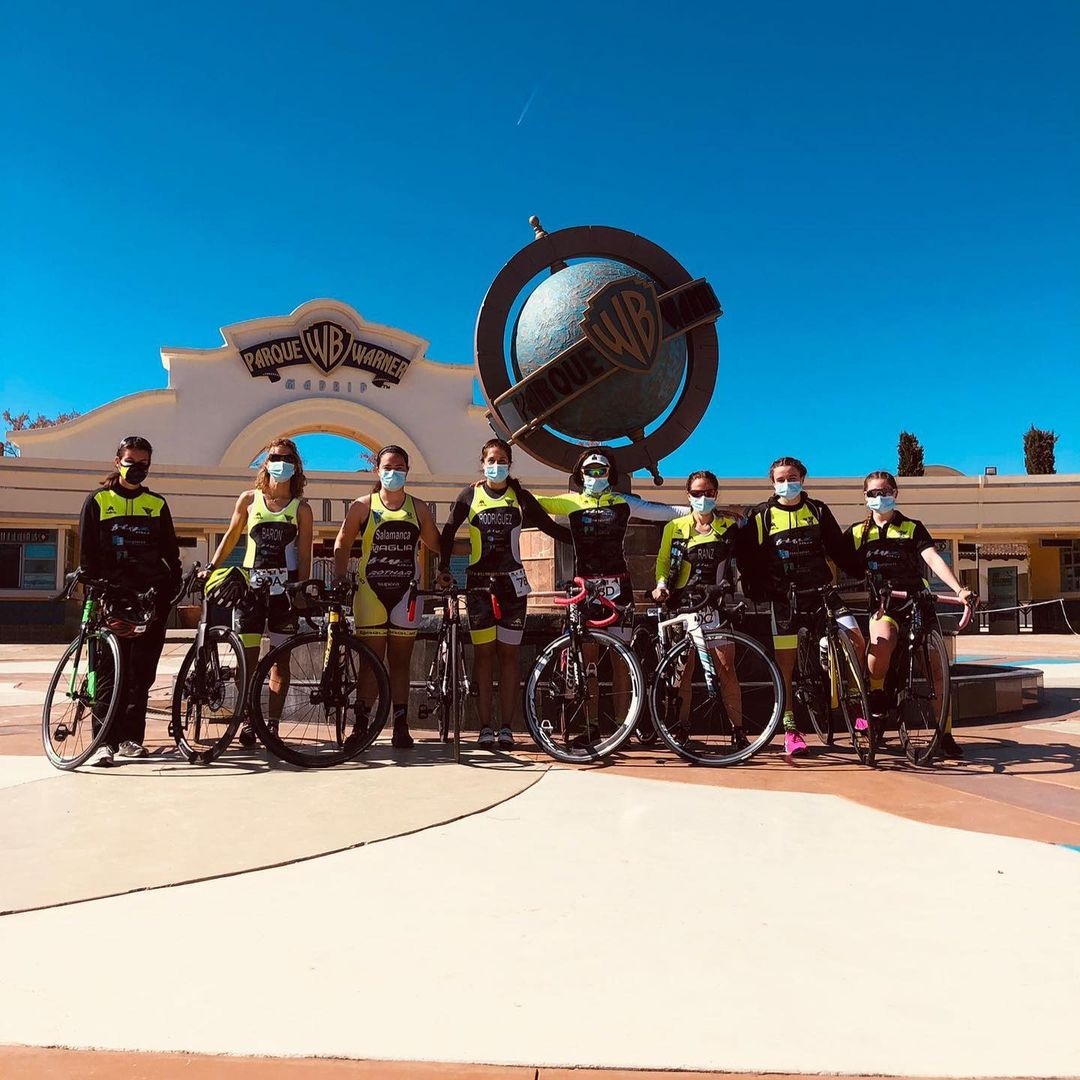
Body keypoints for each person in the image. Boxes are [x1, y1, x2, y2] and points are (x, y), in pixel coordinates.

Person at [437, 438, 571, 749]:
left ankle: (507, 728)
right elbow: (448, 531)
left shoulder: (520, 497)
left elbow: (551, 529)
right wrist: (443, 567)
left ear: (509, 464)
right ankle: (485, 727)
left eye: (502, 461)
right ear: (482, 464)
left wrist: (586, 538)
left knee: (509, 657)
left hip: (513, 586)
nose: (496, 466)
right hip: (479, 586)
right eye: (491, 461)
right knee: (484, 656)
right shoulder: (469, 495)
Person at [735, 455, 865, 758]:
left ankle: (856, 702)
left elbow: (838, 548)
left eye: (792, 478)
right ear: (772, 483)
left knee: (856, 639)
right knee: (786, 666)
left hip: (821, 593)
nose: (786, 483)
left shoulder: (817, 510)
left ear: (802, 479)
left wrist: (860, 571)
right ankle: (791, 729)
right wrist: (760, 589)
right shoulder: (762, 515)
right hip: (785, 600)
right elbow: (748, 559)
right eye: (780, 479)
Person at [844, 470, 975, 759]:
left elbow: (932, 558)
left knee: (937, 668)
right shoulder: (857, 533)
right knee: (882, 642)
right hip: (884, 604)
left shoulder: (912, 527)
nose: (879, 497)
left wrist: (959, 589)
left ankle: (945, 733)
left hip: (918, 600)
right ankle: (876, 696)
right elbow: (836, 560)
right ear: (865, 497)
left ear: (895, 493)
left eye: (884, 492)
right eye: (873, 493)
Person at [78, 435, 182, 765]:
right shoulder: (98, 501)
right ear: (117, 462)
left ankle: (130, 739)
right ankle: (103, 742)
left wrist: (169, 592)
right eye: (130, 462)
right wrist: (94, 589)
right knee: (108, 671)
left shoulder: (157, 504)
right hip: (110, 599)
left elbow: (171, 553)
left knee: (141, 673)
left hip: (149, 600)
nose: (136, 468)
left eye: (143, 464)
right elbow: (87, 555)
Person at [206, 437, 313, 745]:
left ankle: (273, 725)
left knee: (281, 660)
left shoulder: (301, 508)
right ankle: (250, 720)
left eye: (287, 458)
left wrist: (301, 589)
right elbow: (231, 536)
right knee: (247, 660)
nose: (281, 463)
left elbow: (305, 554)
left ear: (296, 466)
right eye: (275, 457)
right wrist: (211, 568)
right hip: (250, 590)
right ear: (266, 463)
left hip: (285, 592)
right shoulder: (249, 499)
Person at [333, 444, 441, 749]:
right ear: (377, 470)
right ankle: (361, 725)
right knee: (370, 662)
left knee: (400, 662)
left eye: (399, 467)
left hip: (407, 594)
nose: (394, 472)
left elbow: (437, 544)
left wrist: (476, 547)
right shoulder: (362, 506)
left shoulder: (418, 508)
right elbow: (342, 542)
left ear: (408, 470)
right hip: (371, 591)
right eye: (388, 467)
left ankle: (400, 725)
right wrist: (339, 577)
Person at [652, 470, 747, 748]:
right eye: (696, 493)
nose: (702, 498)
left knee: (726, 667)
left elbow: (748, 542)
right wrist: (660, 585)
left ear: (716, 494)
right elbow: (663, 561)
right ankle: (681, 728)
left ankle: (738, 729)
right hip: (682, 605)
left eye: (708, 493)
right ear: (688, 495)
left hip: (716, 606)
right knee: (684, 670)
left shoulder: (728, 526)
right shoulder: (675, 527)